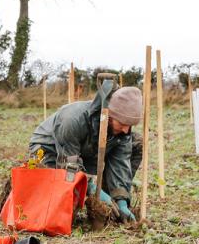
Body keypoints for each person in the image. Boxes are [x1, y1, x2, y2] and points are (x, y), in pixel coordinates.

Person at [27, 80, 143, 222]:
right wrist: (92, 188)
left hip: (86, 151)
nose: (126, 129)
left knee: (136, 142)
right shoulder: (72, 120)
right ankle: (91, 195)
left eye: (129, 125)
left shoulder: (122, 130)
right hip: (51, 151)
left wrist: (121, 199)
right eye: (123, 124)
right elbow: (68, 166)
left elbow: (120, 162)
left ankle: (109, 205)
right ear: (109, 115)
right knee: (58, 207)